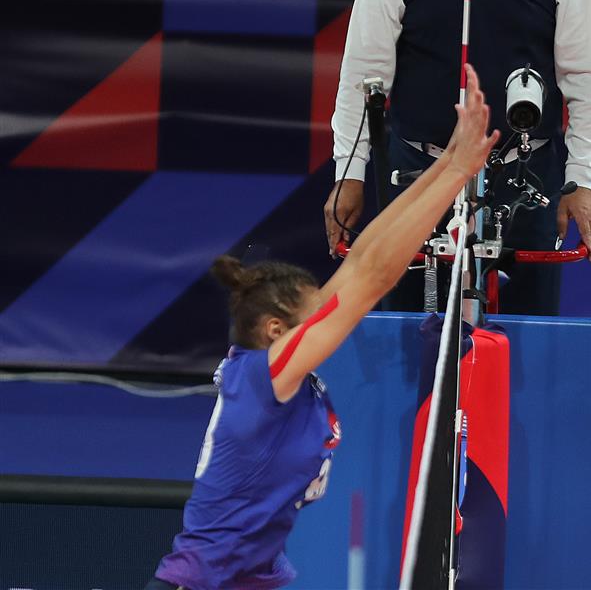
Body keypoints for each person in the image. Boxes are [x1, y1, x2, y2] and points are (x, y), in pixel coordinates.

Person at [145, 68, 499, 590]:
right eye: (315, 309)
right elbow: (372, 278)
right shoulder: (262, 379)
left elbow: (362, 262)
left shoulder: (278, 378)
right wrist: (456, 172)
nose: (333, 313)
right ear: (275, 329)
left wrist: (451, 162)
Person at [325, 0, 591, 316]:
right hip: (418, 175)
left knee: (527, 337)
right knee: (411, 333)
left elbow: (587, 84)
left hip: (526, 180)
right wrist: (348, 174)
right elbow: (364, 77)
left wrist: (580, 180)